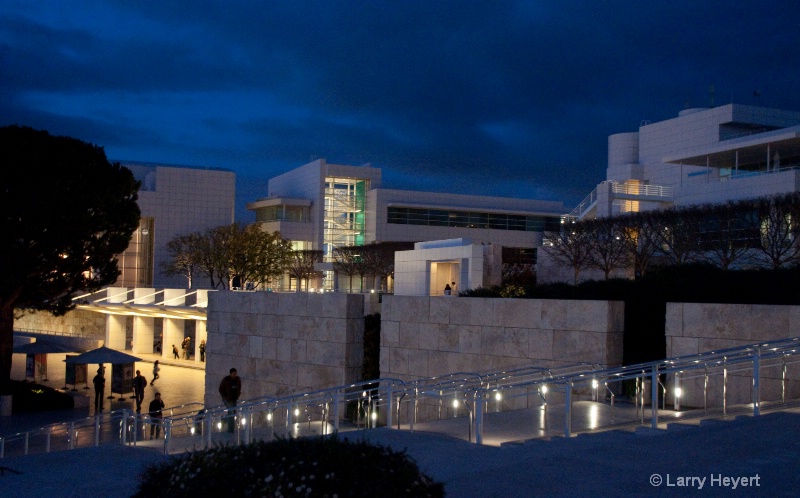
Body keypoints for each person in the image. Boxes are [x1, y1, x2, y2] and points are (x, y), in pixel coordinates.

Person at [218, 368, 242, 433]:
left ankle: (224, 420)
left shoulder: (237, 380)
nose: (235, 375)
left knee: (233, 414)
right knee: (231, 413)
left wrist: (238, 394)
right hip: (227, 400)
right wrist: (225, 397)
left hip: (234, 399)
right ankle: (230, 431)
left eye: (235, 374)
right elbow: (221, 389)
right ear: (230, 374)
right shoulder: (226, 380)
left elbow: (239, 388)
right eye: (234, 374)